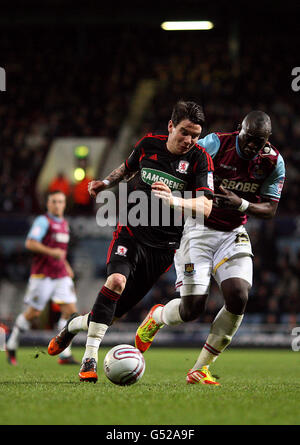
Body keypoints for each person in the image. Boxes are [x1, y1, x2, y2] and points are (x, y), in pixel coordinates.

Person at [47, 100, 214, 382]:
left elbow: (207, 207)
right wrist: (105, 183)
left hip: (163, 249)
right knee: (115, 282)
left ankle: (71, 327)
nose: (189, 140)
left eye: (195, 135)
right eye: (185, 132)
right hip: (131, 231)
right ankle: (89, 359)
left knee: (111, 314)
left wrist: (173, 199)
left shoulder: (200, 159)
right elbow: (127, 168)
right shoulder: (149, 143)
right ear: (171, 126)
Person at [135, 110, 285, 385]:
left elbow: (271, 208)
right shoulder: (215, 143)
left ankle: (200, 368)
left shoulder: (273, 161)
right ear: (239, 128)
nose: (253, 146)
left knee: (239, 295)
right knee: (192, 309)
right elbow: (180, 165)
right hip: (197, 228)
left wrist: (241, 204)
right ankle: (156, 317)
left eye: (260, 141)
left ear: (268, 139)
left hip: (233, 233)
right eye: (249, 139)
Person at [6, 190, 79, 365]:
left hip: (60, 274)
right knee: (33, 313)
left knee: (71, 312)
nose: (57, 205)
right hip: (42, 275)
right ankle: (12, 342)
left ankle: (64, 353)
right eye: (54, 201)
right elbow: (30, 243)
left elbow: (61, 252)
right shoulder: (42, 221)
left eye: (60, 201)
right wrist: (51, 252)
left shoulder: (64, 224)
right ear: (48, 204)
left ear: (64, 204)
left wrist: (66, 265)